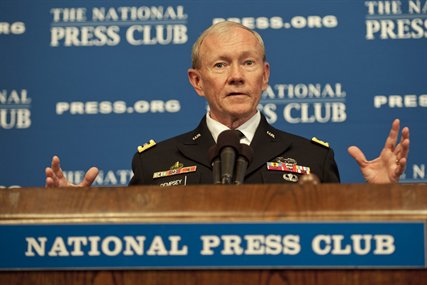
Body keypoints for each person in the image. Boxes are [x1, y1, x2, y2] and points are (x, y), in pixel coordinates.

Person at [45, 21, 410, 187]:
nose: (236, 76)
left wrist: (384, 194)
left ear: (264, 75)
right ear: (197, 81)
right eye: (220, 65)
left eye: (248, 63)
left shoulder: (314, 158)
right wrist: (76, 211)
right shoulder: (152, 163)